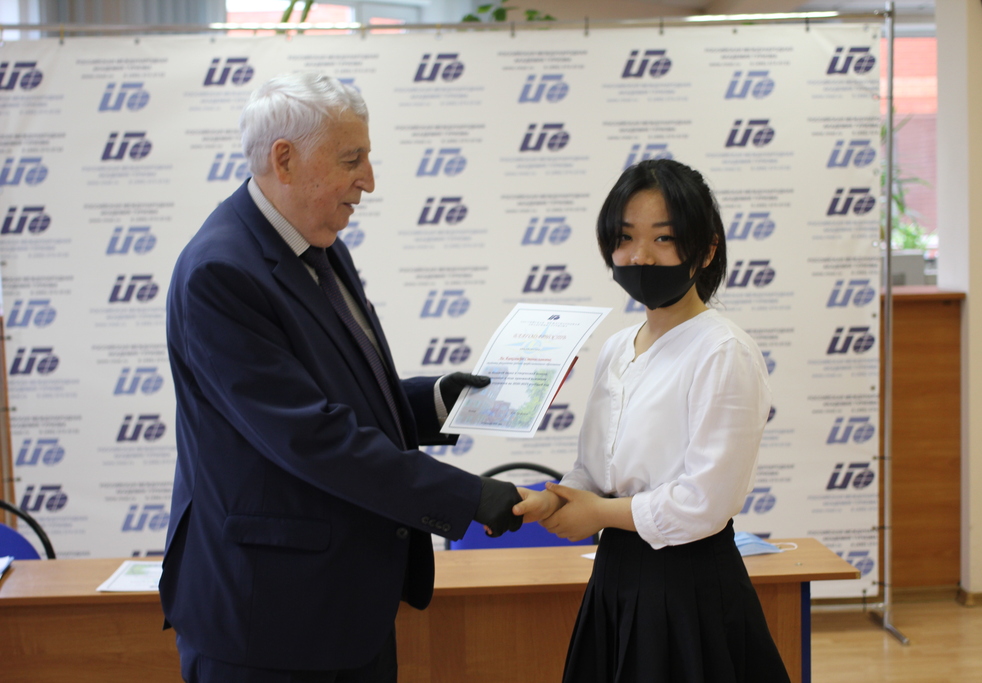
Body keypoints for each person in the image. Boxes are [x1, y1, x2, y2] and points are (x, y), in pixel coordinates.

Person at [160, 72, 522, 683]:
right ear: (284, 159)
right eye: (351, 160)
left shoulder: (319, 245)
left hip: (344, 612)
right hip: (267, 625)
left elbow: (340, 396)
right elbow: (310, 437)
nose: (369, 181)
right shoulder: (220, 272)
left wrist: (438, 402)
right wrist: (467, 497)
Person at [514, 159, 791, 683]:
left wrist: (599, 513)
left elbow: (704, 503)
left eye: (664, 238)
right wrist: (557, 499)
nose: (640, 256)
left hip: (688, 587)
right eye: (625, 237)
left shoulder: (723, 350)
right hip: (614, 575)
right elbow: (595, 471)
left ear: (706, 249)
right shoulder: (618, 347)